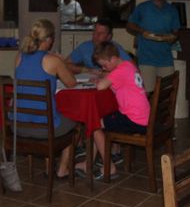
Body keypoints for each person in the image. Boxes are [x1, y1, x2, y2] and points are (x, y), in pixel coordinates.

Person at [12, 19, 77, 179]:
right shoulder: (52, 60)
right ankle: (62, 169)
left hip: (18, 125)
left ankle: (49, 166)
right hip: (43, 128)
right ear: (49, 40)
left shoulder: (20, 57)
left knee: (47, 114)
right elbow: (71, 83)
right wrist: (61, 61)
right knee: (75, 121)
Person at [77, 41, 150, 179]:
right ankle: (88, 163)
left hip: (134, 119)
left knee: (94, 125)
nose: (104, 68)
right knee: (99, 121)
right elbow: (113, 81)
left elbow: (101, 87)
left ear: (113, 59)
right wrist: (104, 76)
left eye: (104, 65)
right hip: (143, 116)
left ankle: (109, 167)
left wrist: (100, 80)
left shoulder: (119, 71)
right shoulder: (128, 65)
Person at [127, 0, 181, 90]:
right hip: (146, 59)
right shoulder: (142, 7)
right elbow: (129, 25)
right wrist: (142, 32)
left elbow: (176, 31)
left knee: (167, 93)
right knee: (147, 93)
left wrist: (173, 37)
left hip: (165, 58)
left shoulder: (172, 10)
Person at [66, 18, 132, 74]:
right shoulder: (85, 47)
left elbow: (132, 68)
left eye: (101, 33)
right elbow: (66, 64)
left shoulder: (115, 48)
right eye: (95, 32)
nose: (96, 36)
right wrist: (87, 70)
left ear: (109, 36)